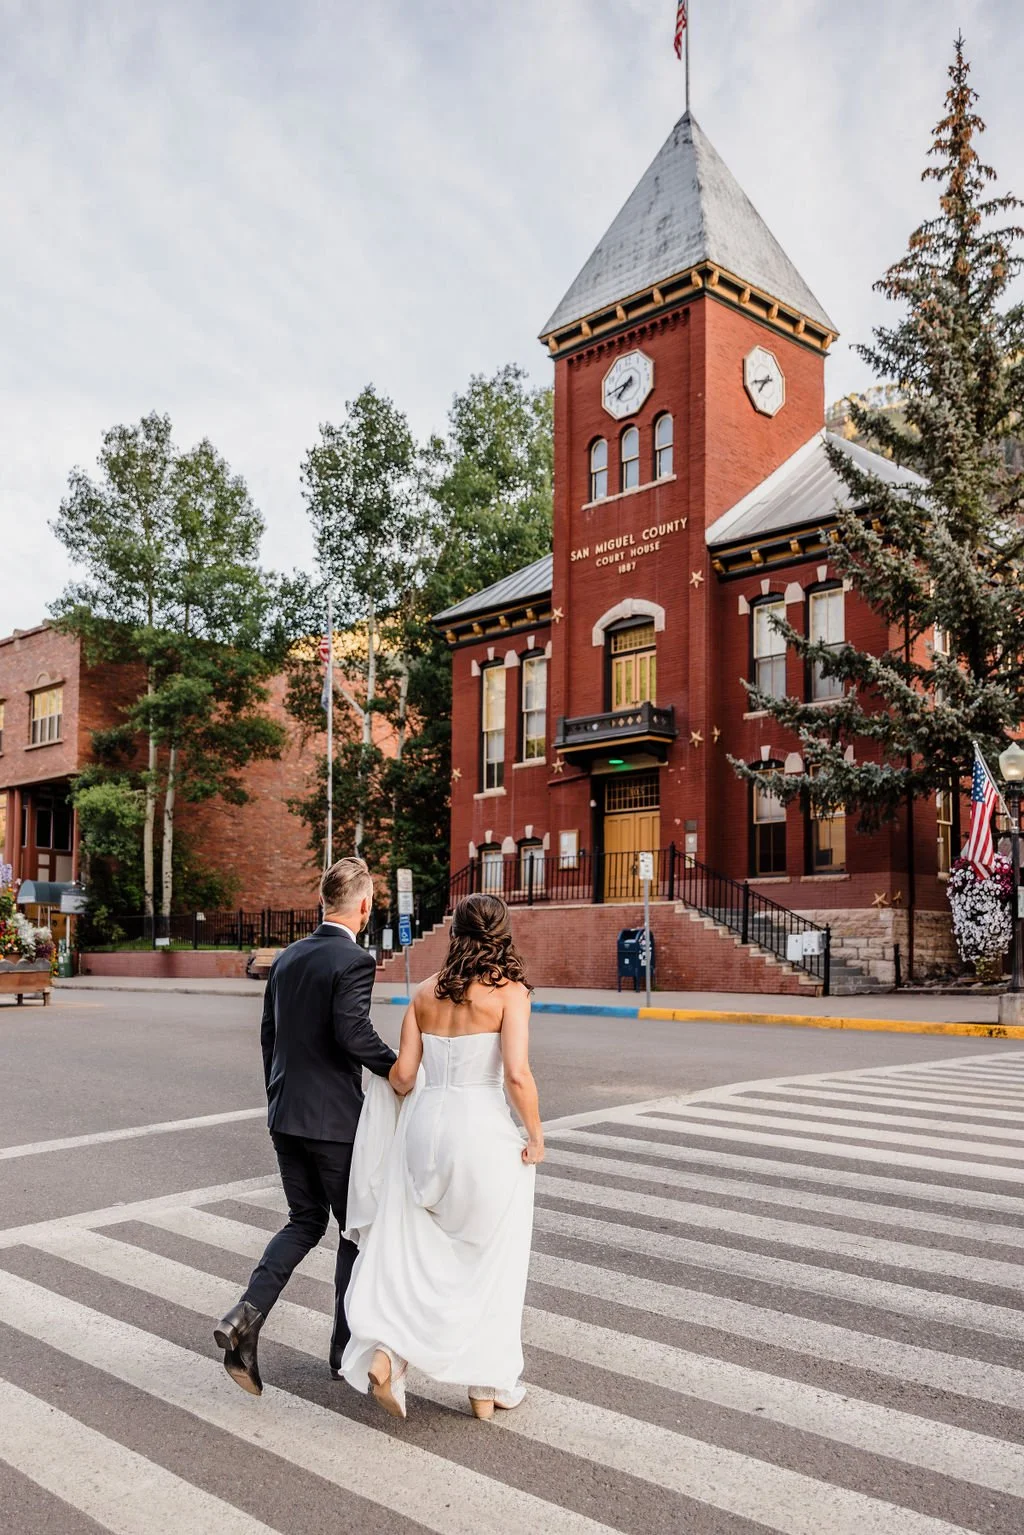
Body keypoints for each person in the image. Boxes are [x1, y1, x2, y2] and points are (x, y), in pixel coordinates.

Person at [340, 891, 543, 1421]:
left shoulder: (425, 993)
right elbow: (517, 1074)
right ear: (501, 934)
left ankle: (390, 1354)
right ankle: (486, 1387)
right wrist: (536, 1134)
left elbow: (403, 1076)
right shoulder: (510, 993)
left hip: (424, 1130)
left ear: (455, 932)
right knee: (490, 1256)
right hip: (480, 1131)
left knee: (417, 1250)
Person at [214, 856, 400, 1394]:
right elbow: (354, 1035)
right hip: (332, 1124)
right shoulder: (354, 960)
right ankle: (343, 1351)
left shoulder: (289, 957)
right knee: (353, 1230)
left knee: (302, 1223)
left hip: (285, 1115)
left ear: (324, 901)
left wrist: (279, 1097)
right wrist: (402, 1072)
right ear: (364, 905)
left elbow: (269, 1037)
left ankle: (244, 1318)